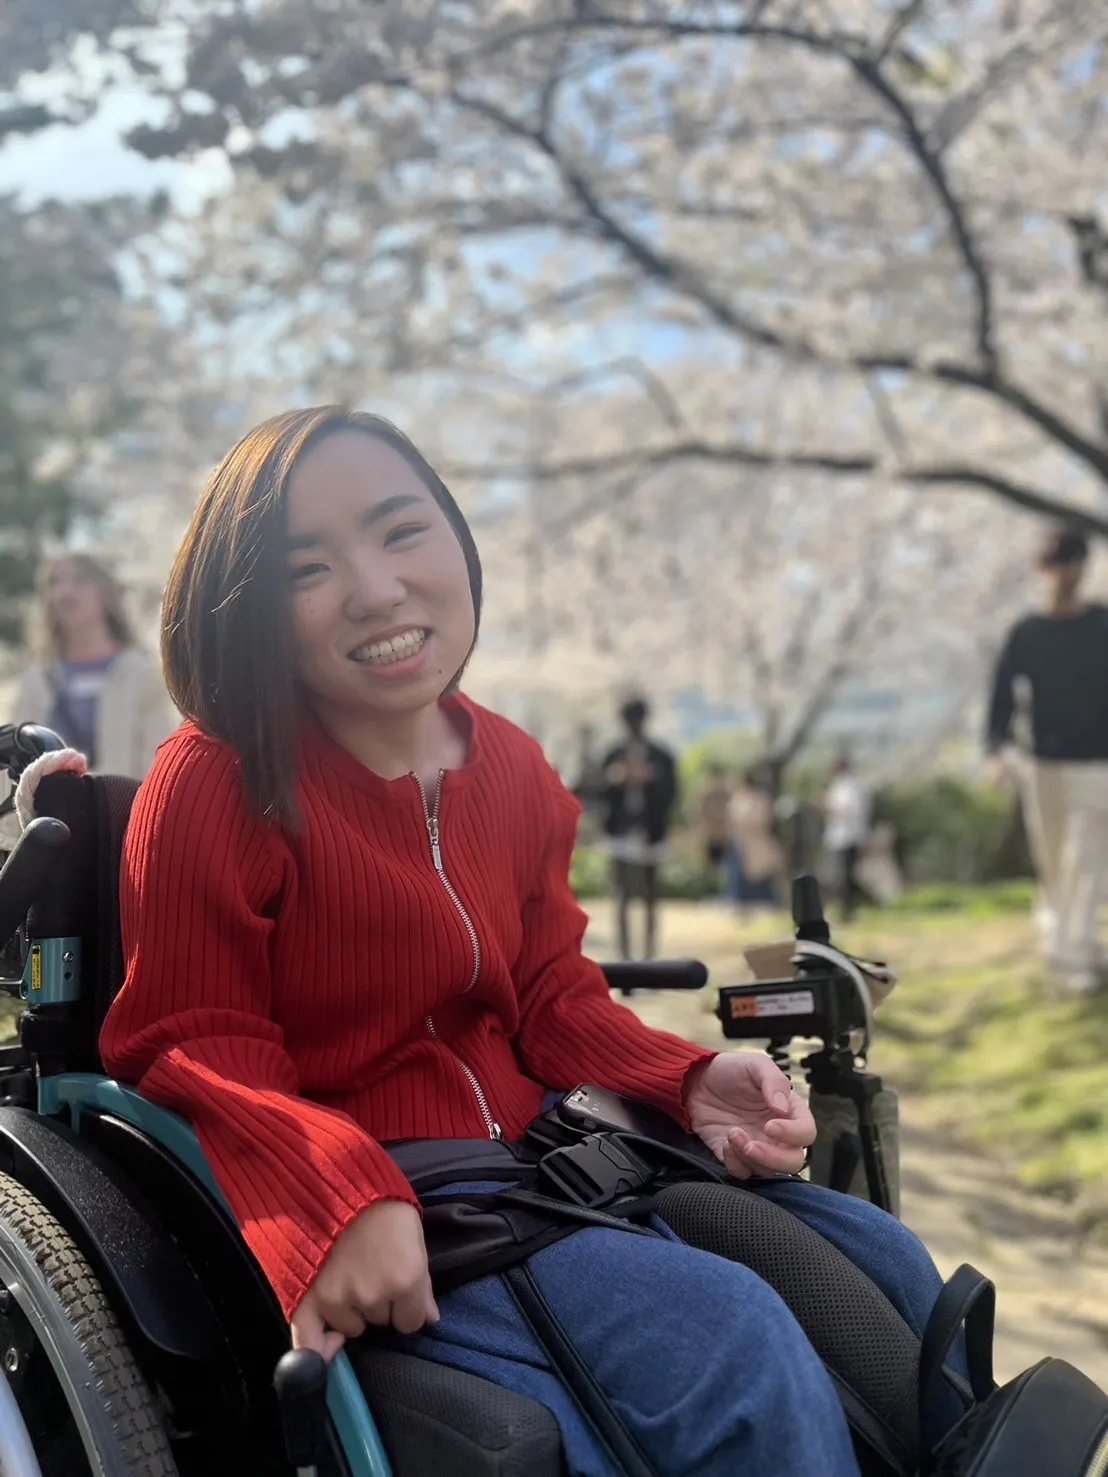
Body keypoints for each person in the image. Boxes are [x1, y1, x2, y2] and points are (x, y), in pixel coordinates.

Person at [99, 407, 957, 1477]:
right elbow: (188, 1040)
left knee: (885, 1265)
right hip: (389, 1183)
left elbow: (551, 993)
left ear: (457, 539)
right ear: (244, 608)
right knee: (729, 1349)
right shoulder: (217, 777)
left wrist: (687, 1079)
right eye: (305, 568)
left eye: (400, 530)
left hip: (542, 1148)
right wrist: (338, 1192)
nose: (375, 588)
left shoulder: (511, 765)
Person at [986, 524, 1108, 992]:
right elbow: (1001, 698)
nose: (1066, 574)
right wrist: (996, 751)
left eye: (1074, 564)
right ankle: (1063, 935)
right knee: (1054, 861)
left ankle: (1077, 954)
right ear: (1044, 570)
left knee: (1088, 858)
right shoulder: (1027, 633)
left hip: (1097, 764)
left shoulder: (1102, 625)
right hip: (1042, 766)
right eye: (1058, 565)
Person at [13, 553, 177, 778]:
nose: (65, 592)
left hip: (125, 799)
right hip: (50, 801)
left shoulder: (140, 673)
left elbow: (158, 759)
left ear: (105, 592)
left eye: (79, 580)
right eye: (55, 582)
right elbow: (16, 766)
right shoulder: (36, 681)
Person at [599, 697, 678, 961]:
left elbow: (672, 793)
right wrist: (616, 779)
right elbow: (597, 792)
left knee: (651, 895)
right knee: (621, 894)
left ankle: (649, 953)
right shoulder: (613, 754)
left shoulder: (661, 755)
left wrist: (649, 779)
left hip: (651, 831)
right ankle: (624, 954)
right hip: (620, 831)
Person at [725, 768, 783, 914]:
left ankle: (763, 903)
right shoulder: (738, 797)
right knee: (737, 874)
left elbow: (761, 819)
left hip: (756, 842)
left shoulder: (760, 798)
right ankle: (737, 903)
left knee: (760, 874)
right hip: (739, 841)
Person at [823, 754, 872, 923]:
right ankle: (850, 909)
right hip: (839, 837)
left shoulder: (851, 787)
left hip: (848, 836)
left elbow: (852, 811)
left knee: (844, 877)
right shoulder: (839, 786)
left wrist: (830, 807)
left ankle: (849, 910)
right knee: (843, 877)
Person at [697, 762, 731, 885]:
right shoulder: (706, 794)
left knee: (725, 864)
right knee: (711, 864)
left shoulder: (727, 793)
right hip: (711, 835)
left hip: (724, 835)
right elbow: (700, 812)